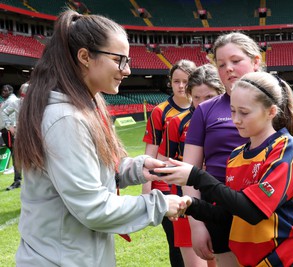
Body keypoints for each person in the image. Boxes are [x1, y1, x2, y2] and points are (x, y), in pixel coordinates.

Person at [13, 10, 187, 267]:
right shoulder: (66, 118)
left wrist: (137, 167)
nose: (126, 70)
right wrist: (160, 205)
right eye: (119, 60)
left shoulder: (83, 106)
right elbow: (93, 207)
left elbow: (92, 172)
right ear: (84, 56)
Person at [158, 71, 293, 267]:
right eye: (232, 111)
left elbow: (253, 210)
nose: (235, 120)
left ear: (271, 112)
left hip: (291, 258)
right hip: (252, 261)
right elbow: (230, 213)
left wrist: (196, 176)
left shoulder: (286, 148)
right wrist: (190, 204)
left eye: (244, 112)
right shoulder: (236, 156)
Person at [182, 32, 264, 266]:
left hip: (267, 210)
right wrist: (196, 225)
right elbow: (189, 172)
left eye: (236, 61)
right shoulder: (205, 110)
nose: (228, 68)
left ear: (255, 61)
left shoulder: (275, 103)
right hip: (220, 211)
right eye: (221, 64)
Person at [157, 64, 225, 267]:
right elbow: (164, 164)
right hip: (186, 203)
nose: (202, 104)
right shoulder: (176, 123)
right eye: (196, 97)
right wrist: (169, 199)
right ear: (189, 95)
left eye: (209, 97)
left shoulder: (231, 121)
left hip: (220, 203)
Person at [142, 59, 196, 267]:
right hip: (166, 187)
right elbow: (151, 152)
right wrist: (146, 191)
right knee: (176, 244)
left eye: (186, 81)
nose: (181, 86)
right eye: (176, 81)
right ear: (170, 83)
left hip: (193, 184)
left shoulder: (202, 108)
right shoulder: (160, 111)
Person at [0, 84, 23, 190]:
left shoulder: (13, 100)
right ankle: (17, 179)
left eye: (5, 91)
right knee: (15, 154)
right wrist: (10, 126)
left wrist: (9, 126)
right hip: (17, 133)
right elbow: (4, 113)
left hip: (26, 134)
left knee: (17, 154)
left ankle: (18, 178)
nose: (3, 92)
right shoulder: (16, 102)